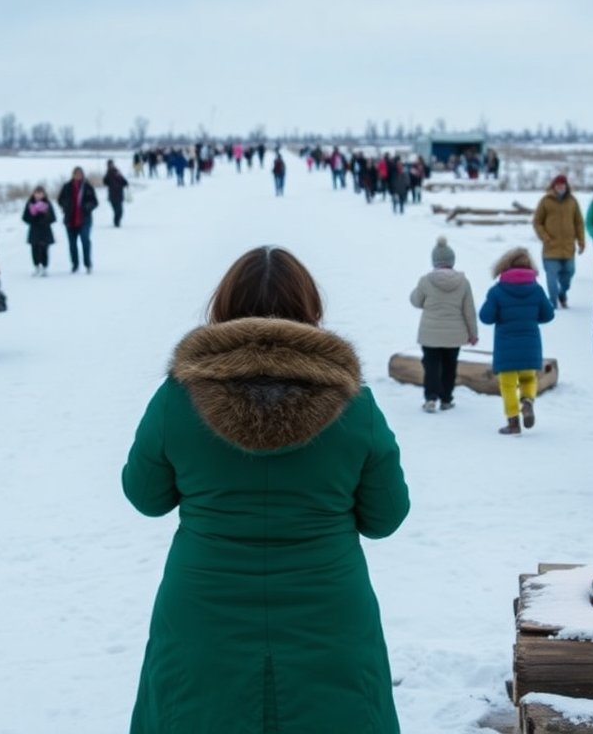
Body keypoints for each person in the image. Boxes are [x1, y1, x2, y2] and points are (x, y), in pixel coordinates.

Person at [122, 245, 409, 733]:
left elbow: (146, 496)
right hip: (329, 613)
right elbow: (385, 516)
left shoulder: (178, 396)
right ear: (309, 309)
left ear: (223, 308)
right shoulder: (352, 404)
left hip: (203, 612)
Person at [479, 246, 555, 434]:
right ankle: (527, 401)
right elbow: (548, 315)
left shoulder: (497, 290)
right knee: (529, 379)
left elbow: (485, 317)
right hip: (530, 345)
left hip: (506, 346)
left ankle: (513, 422)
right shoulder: (536, 289)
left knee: (508, 385)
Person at [410, 236, 478, 412]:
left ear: (434, 261)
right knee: (450, 366)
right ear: (452, 261)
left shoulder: (426, 280)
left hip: (430, 333)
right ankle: (446, 399)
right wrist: (473, 333)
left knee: (431, 366)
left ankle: (431, 398)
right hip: (454, 334)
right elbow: (469, 310)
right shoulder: (463, 282)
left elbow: (417, 301)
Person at [532, 174, 585, 309]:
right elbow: (537, 222)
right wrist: (545, 237)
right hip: (551, 247)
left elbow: (578, 222)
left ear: (566, 186)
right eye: (558, 185)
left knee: (569, 273)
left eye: (563, 185)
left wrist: (581, 241)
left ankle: (563, 293)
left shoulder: (572, 201)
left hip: (568, 247)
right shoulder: (545, 201)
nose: (560, 187)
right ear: (553, 186)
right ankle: (552, 302)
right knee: (551, 278)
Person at [56, 166, 98, 273]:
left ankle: (88, 264)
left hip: (85, 219)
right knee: (72, 244)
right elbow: (60, 200)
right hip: (70, 220)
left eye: (80, 174)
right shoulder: (67, 186)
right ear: (73, 174)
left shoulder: (87, 187)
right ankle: (75, 264)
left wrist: (87, 207)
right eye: (76, 174)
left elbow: (95, 202)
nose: (78, 176)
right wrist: (66, 206)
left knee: (85, 241)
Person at [22, 186, 56, 276]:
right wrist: (33, 217)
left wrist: (45, 217)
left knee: (44, 249)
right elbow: (24, 217)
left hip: (45, 230)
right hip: (34, 230)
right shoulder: (30, 203)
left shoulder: (47, 203)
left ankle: (44, 267)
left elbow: (53, 218)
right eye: (37, 193)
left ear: (44, 194)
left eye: (40, 193)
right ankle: (36, 266)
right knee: (34, 249)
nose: (38, 195)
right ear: (33, 193)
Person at [104, 159, 129, 228]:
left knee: (120, 211)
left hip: (119, 194)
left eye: (111, 164)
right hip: (112, 195)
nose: (111, 166)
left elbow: (125, 182)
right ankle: (116, 222)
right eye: (109, 164)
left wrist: (124, 183)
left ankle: (117, 221)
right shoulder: (107, 174)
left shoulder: (117, 172)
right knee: (116, 210)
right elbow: (105, 182)